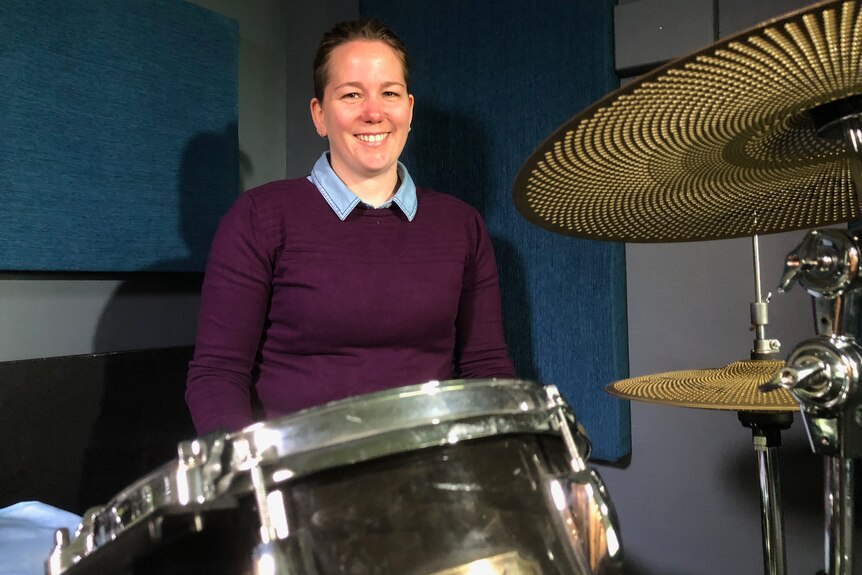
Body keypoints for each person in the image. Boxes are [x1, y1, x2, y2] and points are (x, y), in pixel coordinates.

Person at [185, 18, 515, 435]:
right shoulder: (259, 218)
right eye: (352, 94)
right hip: (301, 481)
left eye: (389, 94)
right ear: (319, 114)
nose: (374, 112)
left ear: (409, 110)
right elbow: (218, 374)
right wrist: (254, 481)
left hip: (432, 475)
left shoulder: (462, 225)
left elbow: (485, 368)